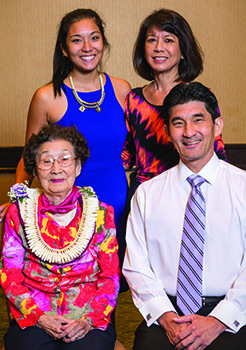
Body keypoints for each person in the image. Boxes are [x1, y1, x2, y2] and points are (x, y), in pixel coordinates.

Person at [0, 9, 131, 279]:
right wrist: (16, 202)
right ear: (63, 48)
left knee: (110, 283)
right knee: (70, 283)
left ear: (103, 43)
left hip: (118, 201)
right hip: (66, 207)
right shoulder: (47, 97)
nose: (87, 47)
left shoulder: (122, 89)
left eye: (94, 38)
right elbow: (30, 159)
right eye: (76, 40)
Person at [123, 82, 246, 350]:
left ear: (217, 126)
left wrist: (218, 321)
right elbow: (136, 267)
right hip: (167, 312)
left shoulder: (243, 188)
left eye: (198, 120)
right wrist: (167, 319)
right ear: (167, 132)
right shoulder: (147, 194)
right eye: (178, 123)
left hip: (233, 313)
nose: (189, 132)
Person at [0, 125, 120, 350]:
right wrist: (39, 318)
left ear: (78, 167)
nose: (56, 169)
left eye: (65, 159)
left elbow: (110, 277)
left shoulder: (101, 214)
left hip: (87, 320)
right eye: (46, 161)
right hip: (34, 319)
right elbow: (10, 275)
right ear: (35, 172)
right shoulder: (19, 212)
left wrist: (88, 321)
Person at [122, 9, 226, 196]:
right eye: (151, 40)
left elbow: (218, 153)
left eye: (168, 40)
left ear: (183, 51)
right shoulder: (133, 99)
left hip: (189, 191)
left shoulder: (199, 97)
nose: (158, 47)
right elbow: (126, 157)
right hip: (145, 193)